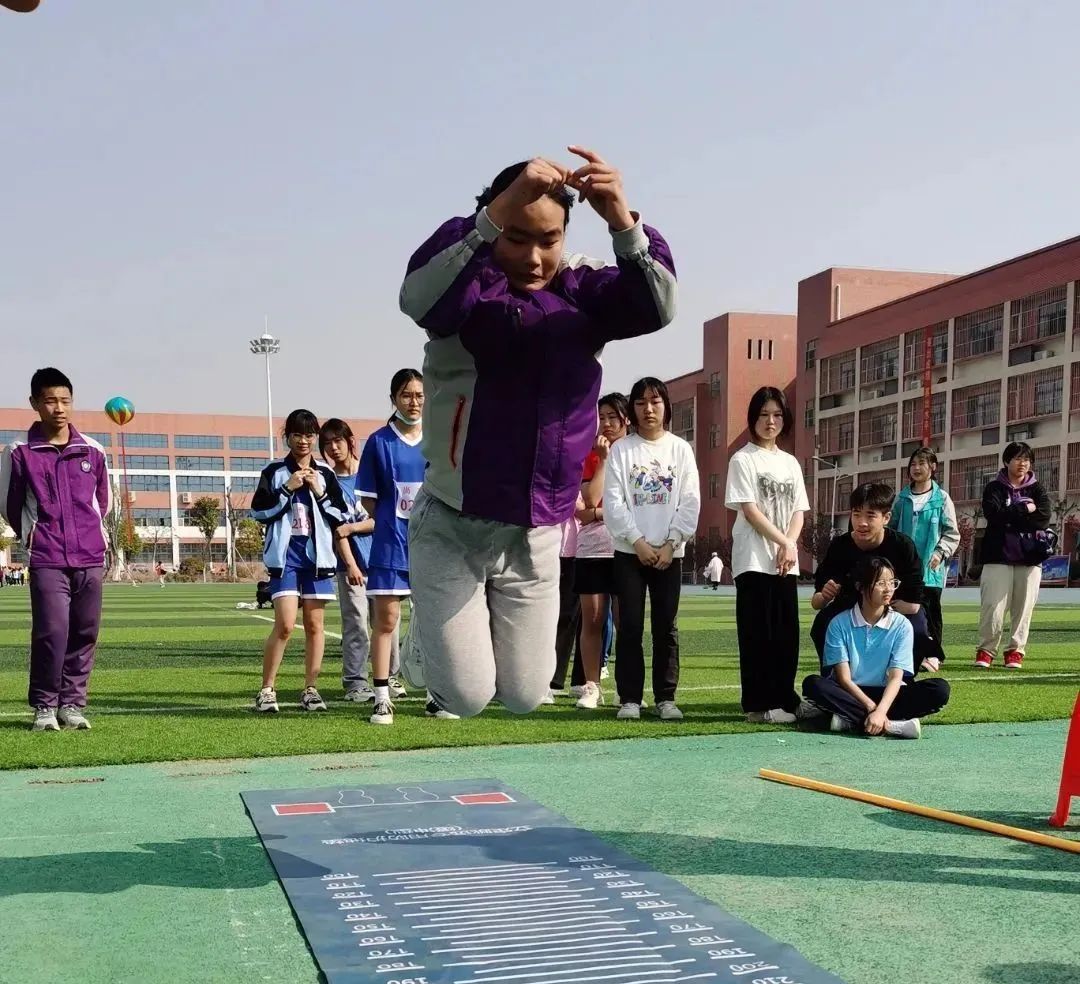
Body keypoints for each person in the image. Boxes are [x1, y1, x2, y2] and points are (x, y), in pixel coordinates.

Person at [398, 148, 677, 718]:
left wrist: (623, 220)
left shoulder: (582, 286)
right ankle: (423, 639)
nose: (532, 256)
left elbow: (658, 305)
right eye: (517, 236)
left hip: (537, 533)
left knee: (527, 696)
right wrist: (491, 216)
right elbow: (416, 297)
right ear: (495, 224)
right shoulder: (466, 282)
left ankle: (451, 632)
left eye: (547, 240)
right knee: (466, 696)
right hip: (455, 522)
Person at [0, 368, 109, 732]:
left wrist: (90, 533)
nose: (59, 408)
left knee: (85, 630)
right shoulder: (20, 452)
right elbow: (10, 504)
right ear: (34, 403)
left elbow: (102, 502)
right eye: (50, 400)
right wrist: (33, 534)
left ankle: (72, 704)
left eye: (65, 400)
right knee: (52, 630)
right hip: (47, 556)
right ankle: (45, 707)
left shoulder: (92, 450)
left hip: (90, 555)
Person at [357, 370, 457, 724]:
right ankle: (382, 696)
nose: (413, 402)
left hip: (432, 547)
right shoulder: (379, 442)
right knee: (386, 621)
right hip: (390, 546)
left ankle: (435, 696)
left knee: (432, 623)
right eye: (406, 395)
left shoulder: (437, 439)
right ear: (393, 399)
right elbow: (369, 501)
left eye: (419, 395)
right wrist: (391, 523)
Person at [604, 377, 700, 721]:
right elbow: (613, 503)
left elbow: (690, 501)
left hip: (668, 554)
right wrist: (638, 541)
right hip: (630, 552)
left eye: (655, 402)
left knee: (666, 627)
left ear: (666, 407)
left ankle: (666, 698)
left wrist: (672, 542)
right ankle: (630, 697)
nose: (649, 409)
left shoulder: (680, 450)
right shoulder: (622, 450)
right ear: (633, 408)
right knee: (629, 625)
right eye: (642, 403)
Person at [251, 409, 348, 714]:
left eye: (309, 435)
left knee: (315, 625)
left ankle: (311, 689)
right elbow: (258, 512)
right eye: (297, 435)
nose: (304, 441)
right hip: (286, 559)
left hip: (317, 559)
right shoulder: (275, 472)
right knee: (284, 625)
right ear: (288, 437)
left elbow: (340, 517)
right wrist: (286, 489)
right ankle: (267, 689)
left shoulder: (327, 475)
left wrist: (319, 492)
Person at [725, 386, 811, 725]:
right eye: (763, 415)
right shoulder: (742, 459)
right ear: (753, 419)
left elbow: (799, 511)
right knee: (757, 635)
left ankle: (785, 699)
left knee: (786, 637)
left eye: (776, 415)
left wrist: (789, 544)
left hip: (783, 565)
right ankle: (759, 705)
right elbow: (750, 509)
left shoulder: (789, 462)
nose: (770, 421)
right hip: (754, 561)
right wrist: (783, 543)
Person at [803, 555, 951, 739]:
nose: (888, 589)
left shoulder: (902, 625)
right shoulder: (839, 624)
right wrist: (873, 709)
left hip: (889, 693)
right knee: (813, 685)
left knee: (940, 689)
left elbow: (896, 677)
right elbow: (844, 679)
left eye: (892, 582)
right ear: (861, 587)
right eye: (880, 583)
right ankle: (891, 725)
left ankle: (850, 721)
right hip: (851, 693)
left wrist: (881, 710)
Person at [320, 417, 406, 704]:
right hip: (351, 567)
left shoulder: (369, 477)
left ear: (350, 442)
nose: (333, 448)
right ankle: (355, 682)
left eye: (338, 441)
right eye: (327, 444)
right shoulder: (328, 484)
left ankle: (390, 676)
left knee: (387, 622)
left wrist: (354, 527)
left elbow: (381, 517)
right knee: (356, 623)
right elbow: (336, 530)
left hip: (383, 561)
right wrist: (351, 565)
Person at [810, 482, 935, 670]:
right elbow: (817, 601)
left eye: (870, 515)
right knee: (822, 624)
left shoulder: (902, 546)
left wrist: (886, 607)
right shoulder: (840, 546)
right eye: (856, 514)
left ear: (886, 517)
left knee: (917, 628)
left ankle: (904, 680)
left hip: (893, 606)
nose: (862, 523)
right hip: (851, 606)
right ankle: (833, 679)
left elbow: (914, 601)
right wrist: (825, 595)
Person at [573, 392, 630, 710]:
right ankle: (591, 686)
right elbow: (589, 502)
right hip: (593, 549)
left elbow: (636, 507)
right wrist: (604, 461)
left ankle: (627, 688)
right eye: (603, 417)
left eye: (613, 417)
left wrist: (597, 513)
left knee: (627, 620)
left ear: (626, 420)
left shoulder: (638, 453)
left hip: (627, 547)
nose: (607, 423)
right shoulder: (590, 454)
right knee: (592, 619)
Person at [975, 442, 1052, 670]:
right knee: (993, 606)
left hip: (1030, 558)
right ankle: (986, 650)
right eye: (1017, 459)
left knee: (1023, 607)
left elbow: (1043, 519)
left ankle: (1015, 651)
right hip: (998, 556)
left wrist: (1010, 517)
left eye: (1027, 459)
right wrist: (1023, 509)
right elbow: (993, 516)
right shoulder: (994, 488)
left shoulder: (1038, 489)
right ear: (1007, 461)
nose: (1022, 463)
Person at [888, 447, 959, 654]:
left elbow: (952, 533)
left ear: (933, 467)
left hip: (931, 569)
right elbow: (890, 529)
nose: (917, 468)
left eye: (922, 463)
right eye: (913, 464)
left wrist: (940, 552)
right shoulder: (901, 499)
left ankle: (933, 654)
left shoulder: (942, 499)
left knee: (930, 610)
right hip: (903, 568)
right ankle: (903, 653)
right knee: (901, 609)